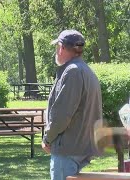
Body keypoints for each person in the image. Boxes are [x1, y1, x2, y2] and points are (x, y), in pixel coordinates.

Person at [42, 29, 103, 180]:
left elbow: (62, 115)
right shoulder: (86, 71)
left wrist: (47, 138)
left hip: (68, 149)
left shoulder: (72, 71)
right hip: (78, 147)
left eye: (57, 47)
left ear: (61, 47)